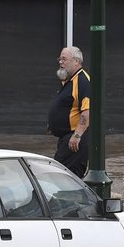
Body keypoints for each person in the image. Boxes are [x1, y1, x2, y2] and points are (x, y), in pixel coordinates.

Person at [47, 46, 90, 177]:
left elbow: (88, 111)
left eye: (64, 59)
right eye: (59, 59)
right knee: (70, 176)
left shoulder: (82, 80)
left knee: (57, 175)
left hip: (74, 140)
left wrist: (77, 135)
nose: (60, 62)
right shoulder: (70, 80)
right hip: (67, 137)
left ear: (76, 61)